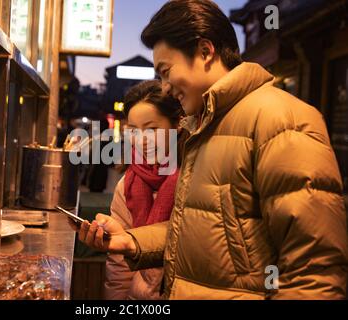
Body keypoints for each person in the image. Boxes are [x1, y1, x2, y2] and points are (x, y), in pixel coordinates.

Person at [72, 0, 348, 300]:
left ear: (205, 51)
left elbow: (316, 275)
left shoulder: (281, 119)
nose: (164, 88)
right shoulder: (203, 129)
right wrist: (131, 242)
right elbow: (195, 231)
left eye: (166, 71)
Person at [105, 80, 187, 300]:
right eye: (133, 130)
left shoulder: (194, 178)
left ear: (177, 124)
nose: (141, 141)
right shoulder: (127, 184)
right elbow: (119, 265)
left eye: (152, 129)